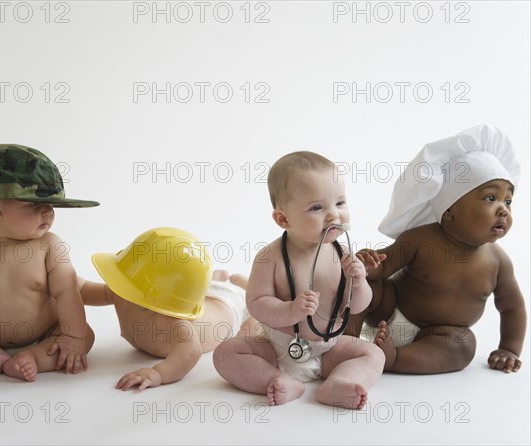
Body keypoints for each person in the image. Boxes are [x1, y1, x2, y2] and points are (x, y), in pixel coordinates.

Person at [212, 151, 384, 409]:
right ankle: (276, 379)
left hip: (329, 347)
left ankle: (340, 381)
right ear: (283, 219)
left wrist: (358, 283)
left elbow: (357, 306)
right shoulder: (270, 257)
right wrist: (290, 310)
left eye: (340, 203)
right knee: (226, 353)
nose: (333, 215)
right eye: (317, 207)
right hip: (278, 347)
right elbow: (257, 303)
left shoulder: (342, 254)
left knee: (372, 353)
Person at [353, 124, 527, 374]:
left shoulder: (498, 262)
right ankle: (344, 343)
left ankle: (394, 358)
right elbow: (382, 269)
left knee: (463, 345)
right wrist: (367, 265)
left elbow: (513, 307)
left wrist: (509, 348)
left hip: (440, 336)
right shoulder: (420, 239)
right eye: (491, 198)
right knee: (362, 286)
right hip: (389, 312)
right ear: (449, 210)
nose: (503, 209)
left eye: (508, 201)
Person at [0, 144, 99, 382]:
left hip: (45, 334)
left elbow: (67, 291)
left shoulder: (50, 246)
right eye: (34, 204)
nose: (48, 213)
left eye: (51, 205)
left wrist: (74, 338)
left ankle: (34, 357)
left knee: (85, 336)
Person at [79, 227, 252, 390]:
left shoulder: (174, 323)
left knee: (244, 297)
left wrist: (159, 373)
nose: (119, 285)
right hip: (197, 294)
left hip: (229, 305)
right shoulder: (122, 291)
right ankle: (217, 279)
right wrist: (60, 278)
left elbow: (191, 351)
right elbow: (83, 290)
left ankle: (241, 284)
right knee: (208, 288)